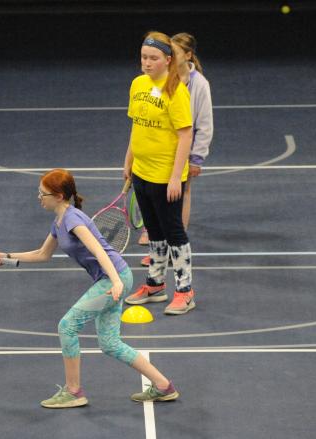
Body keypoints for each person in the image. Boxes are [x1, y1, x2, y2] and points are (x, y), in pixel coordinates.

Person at [0, 169, 178, 408]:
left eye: (43, 193)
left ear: (59, 196)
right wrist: (6, 257)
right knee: (110, 344)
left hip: (113, 278)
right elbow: (42, 254)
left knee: (67, 326)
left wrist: (117, 282)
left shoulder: (73, 219)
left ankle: (73, 391)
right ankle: (164, 386)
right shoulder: (58, 221)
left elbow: (100, 250)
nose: (39, 197)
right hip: (114, 278)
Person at [123, 31, 197, 315]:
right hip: (141, 172)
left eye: (153, 58)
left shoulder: (176, 90)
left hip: (165, 176)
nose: (147, 63)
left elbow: (185, 135)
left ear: (167, 60)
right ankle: (155, 285)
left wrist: (177, 177)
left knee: (174, 233)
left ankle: (185, 291)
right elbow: (136, 124)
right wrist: (128, 159)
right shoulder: (138, 84)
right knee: (154, 232)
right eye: (144, 57)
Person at [139, 32, 213, 261]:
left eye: (176, 51)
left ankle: (175, 240)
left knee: (180, 194)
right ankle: (158, 240)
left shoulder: (199, 84)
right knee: (157, 197)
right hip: (161, 149)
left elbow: (204, 124)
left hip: (184, 149)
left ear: (188, 55)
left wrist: (197, 158)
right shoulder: (162, 78)